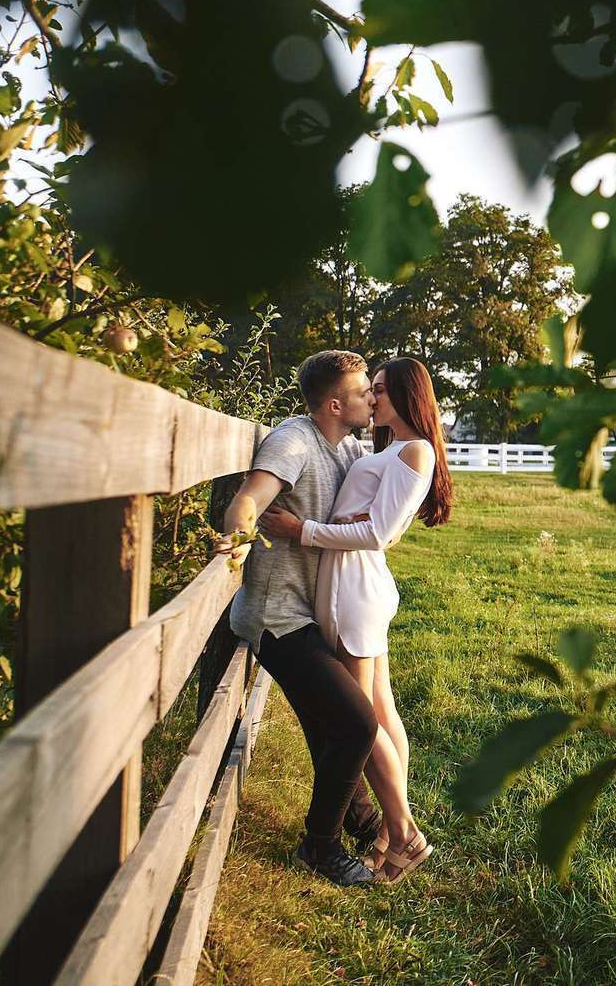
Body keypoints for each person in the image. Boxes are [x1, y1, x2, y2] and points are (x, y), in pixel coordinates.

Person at [269, 356, 453, 883]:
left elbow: (378, 533)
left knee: (364, 722)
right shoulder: (392, 448)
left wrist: (303, 529)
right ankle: (387, 835)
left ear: (405, 394)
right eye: (369, 390)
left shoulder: (413, 449)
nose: (372, 399)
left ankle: (404, 835)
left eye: (379, 390)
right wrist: (341, 521)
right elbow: (380, 526)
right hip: (353, 585)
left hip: (355, 593)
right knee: (381, 714)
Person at [222, 350, 383, 887]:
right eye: (364, 392)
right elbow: (248, 501)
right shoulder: (294, 440)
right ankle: (320, 846)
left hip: (311, 613)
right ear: (334, 404)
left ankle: (363, 823)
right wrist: (239, 540)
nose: (371, 398)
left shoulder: (348, 447)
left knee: (330, 723)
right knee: (357, 723)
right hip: (276, 617)